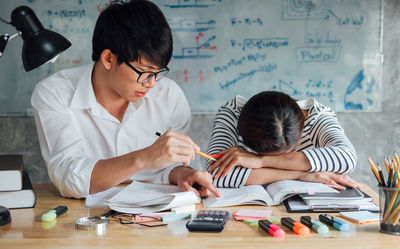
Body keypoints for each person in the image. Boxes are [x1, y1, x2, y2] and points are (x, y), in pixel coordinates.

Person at [31, 0, 220, 199]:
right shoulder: (54, 94)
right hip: (84, 222)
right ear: (109, 59)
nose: (152, 84)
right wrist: (145, 157)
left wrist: (183, 174)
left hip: (155, 219)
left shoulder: (169, 95)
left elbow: (167, 169)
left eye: (158, 73)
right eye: (145, 72)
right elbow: (69, 179)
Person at [207, 91, 361, 190]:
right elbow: (215, 175)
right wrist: (300, 174)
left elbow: (347, 158)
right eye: (260, 154)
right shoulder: (232, 115)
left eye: (289, 152)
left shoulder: (317, 117)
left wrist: (261, 161)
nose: (275, 159)